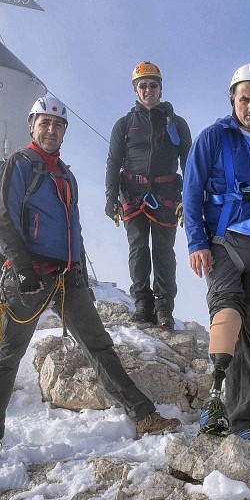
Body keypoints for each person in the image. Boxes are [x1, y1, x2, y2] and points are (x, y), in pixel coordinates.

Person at [0, 94, 180, 459]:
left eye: (57, 125)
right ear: (32, 125)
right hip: (29, 276)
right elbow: (3, 218)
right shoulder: (19, 164)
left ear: (64, 131)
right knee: (9, 352)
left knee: (99, 345)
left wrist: (81, 270)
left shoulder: (64, 172)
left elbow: (73, 227)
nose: (51, 130)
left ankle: (143, 415)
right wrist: (22, 268)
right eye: (44, 123)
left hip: (67, 276)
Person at [182, 64, 250, 446]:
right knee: (226, 310)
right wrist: (196, 242)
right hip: (224, 241)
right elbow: (191, 190)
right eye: (245, 99)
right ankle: (214, 398)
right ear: (233, 100)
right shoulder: (213, 137)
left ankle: (242, 422)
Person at [105, 62, 192, 329]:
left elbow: (189, 163)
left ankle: (164, 306)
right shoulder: (124, 124)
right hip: (131, 195)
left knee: (164, 251)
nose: (148, 90)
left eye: (153, 85)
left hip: (166, 196)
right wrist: (111, 196)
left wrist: (189, 200)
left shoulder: (177, 124)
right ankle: (143, 303)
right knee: (139, 249)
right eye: (143, 85)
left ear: (160, 88)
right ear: (136, 89)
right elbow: (113, 161)